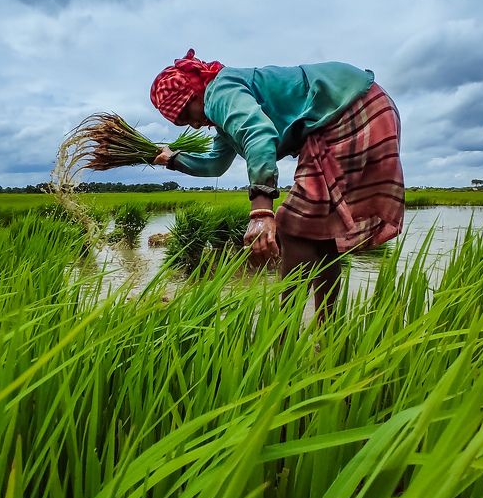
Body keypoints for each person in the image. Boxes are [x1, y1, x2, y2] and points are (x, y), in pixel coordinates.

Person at [150, 49, 404, 320]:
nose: (196, 125)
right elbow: (216, 164)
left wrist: (261, 213)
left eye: (188, 114)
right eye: (184, 123)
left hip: (349, 107)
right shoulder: (224, 114)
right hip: (363, 103)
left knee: (293, 226)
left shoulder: (219, 92)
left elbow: (258, 134)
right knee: (320, 233)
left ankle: (283, 337)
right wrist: (173, 159)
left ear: (195, 93)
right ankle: (328, 330)